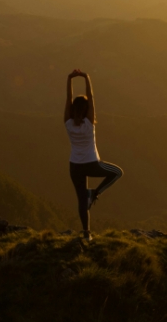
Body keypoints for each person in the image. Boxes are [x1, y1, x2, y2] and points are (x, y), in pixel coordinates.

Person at [65, 69, 123, 241]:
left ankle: (86, 233)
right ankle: (96, 193)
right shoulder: (89, 123)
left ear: (73, 109)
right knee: (117, 172)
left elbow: (68, 99)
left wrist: (69, 79)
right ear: (86, 110)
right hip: (91, 163)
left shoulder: (68, 123)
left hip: (74, 166)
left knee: (81, 201)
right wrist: (86, 77)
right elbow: (91, 98)